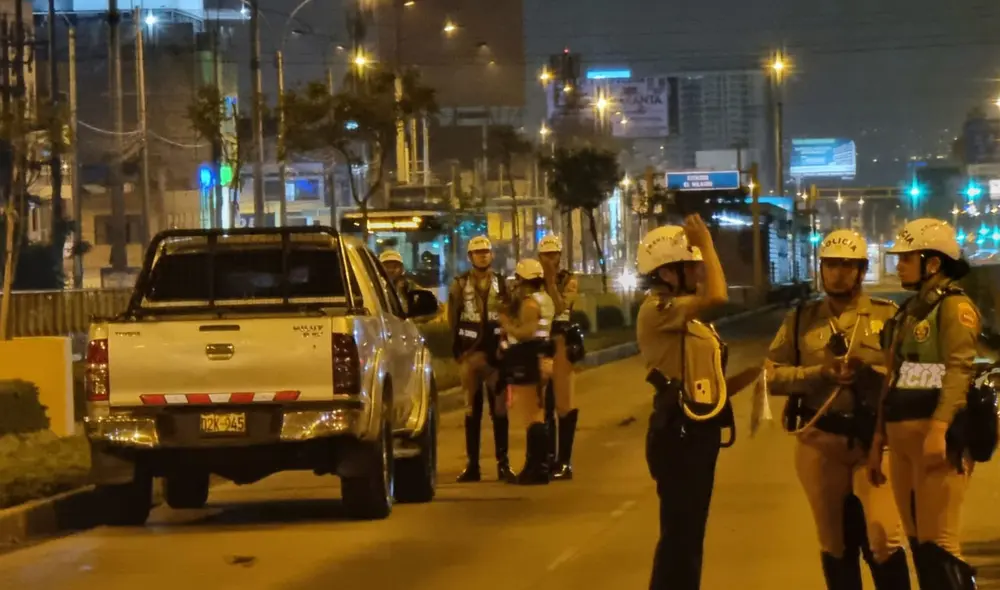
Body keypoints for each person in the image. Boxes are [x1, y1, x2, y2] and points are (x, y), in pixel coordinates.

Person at [765, 229, 910, 589]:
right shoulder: (801, 319)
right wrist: (818, 374)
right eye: (831, 265)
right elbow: (770, 376)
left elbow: (911, 373)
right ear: (821, 269)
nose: (838, 273)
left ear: (862, 271)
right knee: (834, 542)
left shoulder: (887, 317)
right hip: (820, 441)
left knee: (883, 536)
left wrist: (871, 374)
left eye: (847, 265)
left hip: (874, 442)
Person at [637, 215, 756, 590]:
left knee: (688, 538)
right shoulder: (657, 309)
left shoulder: (687, 315)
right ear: (667, 272)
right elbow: (718, 296)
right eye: (691, 266)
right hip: (678, 435)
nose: (699, 271)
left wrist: (758, 375)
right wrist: (706, 243)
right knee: (680, 539)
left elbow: (707, 386)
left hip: (697, 431)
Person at [868, 218, 981, 589]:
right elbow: (893, 378)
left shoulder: (954, 308)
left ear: (933, 263)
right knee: (919, 544)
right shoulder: (911, 310)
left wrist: (939, 428)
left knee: (941, 544)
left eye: (907, 258)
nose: (898, 264)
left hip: (936, 441)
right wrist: (878, 441)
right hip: (901, 443)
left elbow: (959, 370)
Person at [449, 236, 515, 483]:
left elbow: (510, 315)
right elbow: (453, 319)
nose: (483, 256)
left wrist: (507, 348)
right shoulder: (460, 284)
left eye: (486, 251)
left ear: (492, 255)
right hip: (470, 355)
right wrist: (458, 352)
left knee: (499, 410)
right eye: (478, 252)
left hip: (496, 355)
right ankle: (472, 465)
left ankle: (503, 464)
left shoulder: (502, 284)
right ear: (470, 257)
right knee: (471, 410)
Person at [499, 258, 557, 485]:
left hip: (529, 358)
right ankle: (537, 466)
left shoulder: (531, 304)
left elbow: (526, 333)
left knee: (531, 415)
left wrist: (506, 323)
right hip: (542, 357)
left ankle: (536, 468)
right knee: (538, 414)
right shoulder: (546, 300)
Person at [537, 234, 583, 480]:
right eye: (546, 255)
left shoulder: (568, 280)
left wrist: (551, 282)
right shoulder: (534, 280)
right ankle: (546, 457)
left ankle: (564, 461)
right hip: (540, 344)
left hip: (562, 344)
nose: (550, 260)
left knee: (564, 404)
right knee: (543, 404)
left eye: (554, 255)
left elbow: (560, 308)